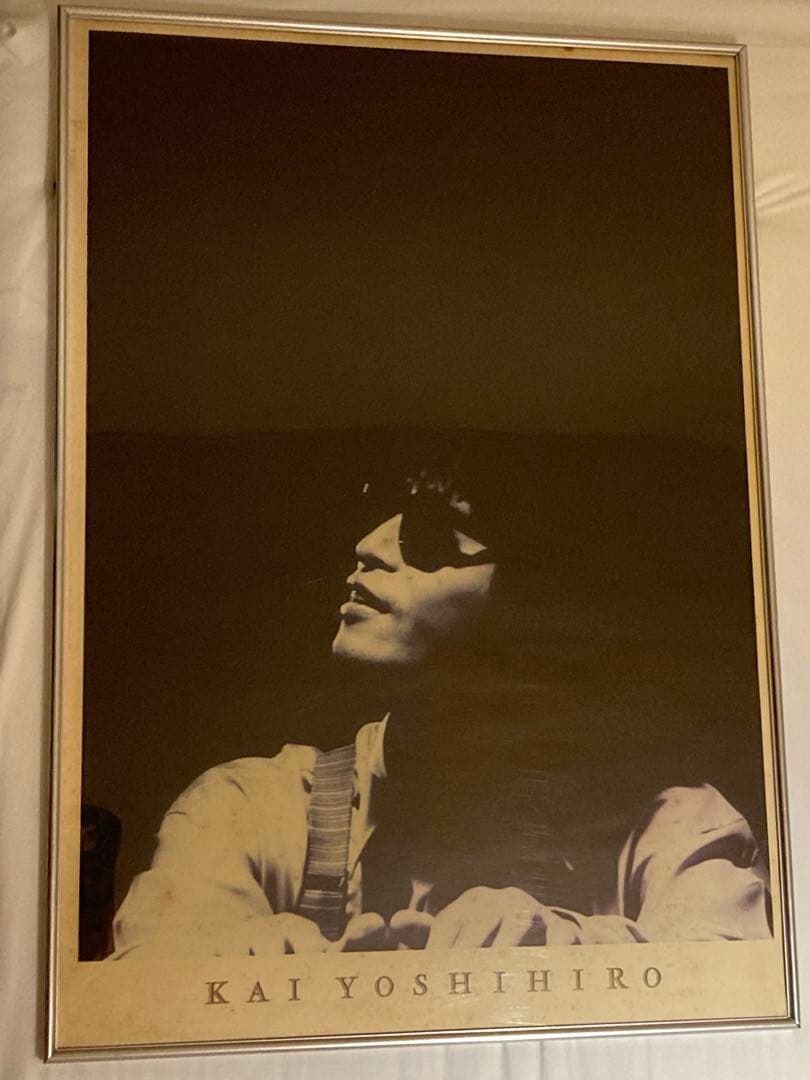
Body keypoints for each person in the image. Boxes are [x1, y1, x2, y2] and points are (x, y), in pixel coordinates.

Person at [110, 441, 771, 958]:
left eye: (431, 532)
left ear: (542, 593)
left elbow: (735, 992)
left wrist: (561, 948)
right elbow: (147, 980)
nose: (369, 547)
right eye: (377, 516)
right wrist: (232, 973)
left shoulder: (678, 829)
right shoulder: (243, 810)